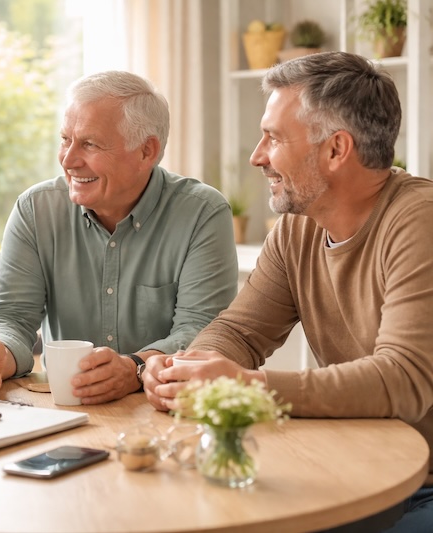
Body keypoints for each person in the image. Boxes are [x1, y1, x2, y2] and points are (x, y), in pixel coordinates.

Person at [144, 51, 433, 531]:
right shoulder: (296, 229)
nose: (258, 155)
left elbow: (402, 380)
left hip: (421, 484)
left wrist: (245, 386)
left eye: (274, 138)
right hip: (362, 468)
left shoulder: (418, 221)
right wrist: (186, 368)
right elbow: (240, 330)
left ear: (336, 150)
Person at [0, 70, 239, 404]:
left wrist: (134, 369)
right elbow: (9, 315)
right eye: (65, 139)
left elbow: (202, 331)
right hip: (64, 409)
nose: (68, 160)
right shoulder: (36, 209)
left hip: (163, 410)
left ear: (147, 152)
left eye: (89, 144)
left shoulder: (202, 213)